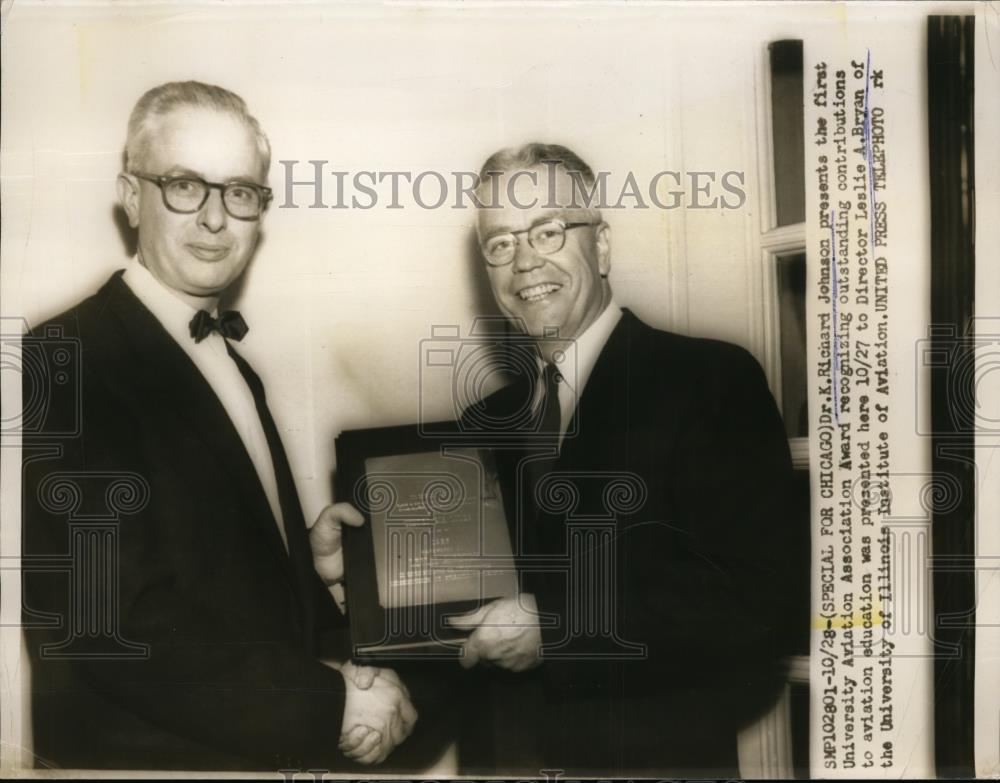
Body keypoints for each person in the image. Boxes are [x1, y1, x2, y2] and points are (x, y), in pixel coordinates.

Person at [20, 81, 416, 771]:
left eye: (239, 192)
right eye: (183, 185)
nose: (213, 219)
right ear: (130, 193)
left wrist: (318, 574)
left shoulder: (235, 365)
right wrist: (330, 703)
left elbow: (215, 581)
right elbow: (113, 623)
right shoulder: (66, 361)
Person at [446, 143, 805, 776]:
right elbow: (455, 606)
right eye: (499, 244)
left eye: (548, 230)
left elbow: (755, 600)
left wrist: (559, 627)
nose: (524, 261)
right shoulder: (484, 424)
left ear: (602, 245)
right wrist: (354, 575)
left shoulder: (708, 380)